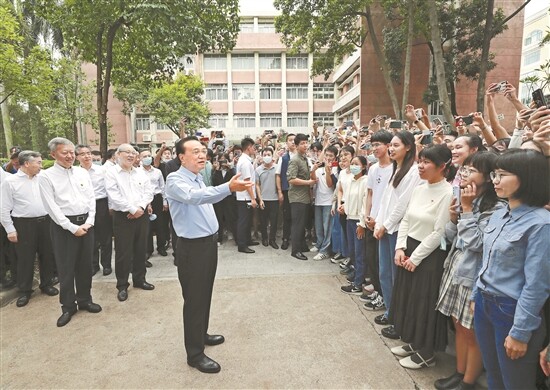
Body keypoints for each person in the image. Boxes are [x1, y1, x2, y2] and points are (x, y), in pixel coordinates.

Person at [165, 136, 253, 374]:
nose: (202, 155)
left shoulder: (198, 178)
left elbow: (209, 196)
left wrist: (226, 190)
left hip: (206, 244)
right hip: (191, 247)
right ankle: (194, 354)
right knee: (194, 299)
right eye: (195, 152)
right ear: (182, 157)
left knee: (204, 293)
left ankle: (200, 333)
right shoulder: (175, 180)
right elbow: (195, 198)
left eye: (203, 151)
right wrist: (228, 187)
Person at [474, 149, 549, 389]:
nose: (495, 180)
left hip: (510, 309)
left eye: (503, 174)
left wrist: (520, 332)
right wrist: (478, 292)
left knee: (515, 382)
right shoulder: (500, 212)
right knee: (493, 376)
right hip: (485, 302)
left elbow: (536, 284)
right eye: (494, 174)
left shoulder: (541, 224)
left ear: (526, 177)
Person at [434, 151, 505, 390]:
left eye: (471, 170)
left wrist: (464, 212)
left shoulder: (496, 207)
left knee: (473, 332)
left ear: (488, 177)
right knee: (459, 327)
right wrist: (455, 218)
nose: (464, 174)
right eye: (464, 169)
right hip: (457, 269)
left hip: (473, 276)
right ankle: (459, 372)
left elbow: (478, 244)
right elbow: (454, 238)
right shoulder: (467, 199)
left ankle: (468, 381)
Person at [389, 145, 454, 369]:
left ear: (442, 166)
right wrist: (400, 248)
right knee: (408, 299)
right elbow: (406, 218)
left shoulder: (448, 193)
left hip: (429, 255)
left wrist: (415, 258)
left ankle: (427, 352)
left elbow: (439, 232)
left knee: (423, 303)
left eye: (426, 162)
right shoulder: (419, 188)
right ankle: (414, 342)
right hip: (409, 247)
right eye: (420, 161)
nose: (420, 166)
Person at [39, 137, 101, 327]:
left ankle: (85, 300)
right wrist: (72, 227)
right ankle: (67, 307)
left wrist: (89, 222)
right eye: (64, 152)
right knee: (66, 268)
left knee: (85, 265)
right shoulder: (46, 176)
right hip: (64, 227)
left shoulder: (82, 172)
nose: (69, 155)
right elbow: (52, 208)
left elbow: (92, 198)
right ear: (53, 154)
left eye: (71, 152)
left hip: (86, 224)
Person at [373, 131, 421, 338]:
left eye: (396, 145)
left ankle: (397, 317)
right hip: (385, 228)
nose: (391, 149)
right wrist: (379, 223)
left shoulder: (413, 172)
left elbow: (403, 204)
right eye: (390, 145)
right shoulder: (397, 168)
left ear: (408, 147)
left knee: (395, 277)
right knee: (384, 273)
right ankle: (390, 310)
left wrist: (386, 224)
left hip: (398, 231)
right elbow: (386, 200)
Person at [0, 151, 59, 307]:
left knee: (47, 254)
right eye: (38, 162)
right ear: (26, 164)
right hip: (23, 224)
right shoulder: (10, 182)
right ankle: (24, 291)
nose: (41, 165)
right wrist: (10, 229)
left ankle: (46, 284)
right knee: (25, 258)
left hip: (46, 222)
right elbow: (4, 208)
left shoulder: (43, 178)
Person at [105, 144, 155, 302]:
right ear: (118, 154)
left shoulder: (140, 172)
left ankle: (140, 280)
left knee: (141, 249)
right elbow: (113, 195)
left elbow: (149, 192)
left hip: (141, 215)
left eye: (134, 153)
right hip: (123, 217)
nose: (131, 155)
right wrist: (132, 210)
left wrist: (140, 208)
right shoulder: (111, 173)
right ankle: (122, 285)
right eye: (127, 152)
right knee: (123, 252)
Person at [360, 130, 393, 306]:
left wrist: (379, 220)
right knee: (372, 261)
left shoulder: (395, 169)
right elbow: (370, 194)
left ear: (388, 146)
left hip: (385, 224)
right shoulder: (373, 169)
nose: (374, 148)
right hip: (371, 222)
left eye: (377, 144)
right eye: (372, 145)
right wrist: (367, 215)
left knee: (384, 265)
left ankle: (385, 298)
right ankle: (379, 292)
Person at [75, 145, 112, 276]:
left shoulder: (102, 170)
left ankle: (107, 265)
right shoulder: (75, 173)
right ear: (77, 157)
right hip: (85, 207)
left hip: (101, 204)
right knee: (90, 238)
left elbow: (109, 189)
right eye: (83, 154)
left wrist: (110, 206)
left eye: (89, 153)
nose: (87, 156)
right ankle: (93, 265)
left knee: (105, 237)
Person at [340, 156, 369, 294]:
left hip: (358, 221)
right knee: (352, 250)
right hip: (349, 219)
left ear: (363, 166)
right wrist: (344, 207)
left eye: (356, 164)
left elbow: (365, 203)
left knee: (359, 253)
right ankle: (357, 276)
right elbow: (348, 198)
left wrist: (362, 224)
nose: (353, 166)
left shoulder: (366, 181)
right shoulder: (351, 180)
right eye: (352, 164)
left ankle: (358, 283)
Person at [287, 133, 317, 260]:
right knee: (298, 224)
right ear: (297, 145)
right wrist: (308, 183)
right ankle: (296, 250)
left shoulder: (304, 158)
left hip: (304, 196)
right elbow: (291, 179)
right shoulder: (295, 160)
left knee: (303, 223)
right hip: (297, 197)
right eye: (302, 143)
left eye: (306, 143)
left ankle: (302, 245)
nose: (305, 145)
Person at [140, 149, 169, 258]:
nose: (147, 158)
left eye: (149, 155)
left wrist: (165, 201)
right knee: (147, 226)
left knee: (160, 224)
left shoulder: (157, 171)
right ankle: (148, 249)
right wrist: (146, 203)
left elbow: (163, 187)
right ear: (140, 159)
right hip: (144, 201)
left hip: (157, 199)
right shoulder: (137, 172)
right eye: (144, 156)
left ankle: (161, 246)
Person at [311, 145, 338, 260]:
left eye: (331, 156)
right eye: (326, 155)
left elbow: (330, 184)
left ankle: (325, 250)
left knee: (327, 228)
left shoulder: (336, 170)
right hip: (318, 201)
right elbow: (313, 180)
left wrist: (328, 171)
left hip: (329, 202)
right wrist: (313, 169)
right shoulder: (319, 169)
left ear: (335, 158)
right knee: (318, 226)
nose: (328, 158)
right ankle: (319, 243)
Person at [235, 137, 258, 254]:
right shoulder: (244, 162)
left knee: (247, 221)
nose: (255, 149)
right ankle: (242, 245)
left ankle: (247, 240)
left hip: (246, 196)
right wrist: (253, 198)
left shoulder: (246, 160)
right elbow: (247, 182)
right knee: (243, 221)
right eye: (254, 147)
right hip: (245, 197)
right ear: (249, 147)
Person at [275, 133, 296, 250]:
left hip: (299, 193)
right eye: (290, 140)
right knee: (287, 216)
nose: (293, 142)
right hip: (287, 191)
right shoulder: (283, 158)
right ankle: (285, 239)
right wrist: (279, 191)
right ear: (286, 143)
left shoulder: (303, 157)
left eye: (294, 140)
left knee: (297, 217)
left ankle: (298, 239)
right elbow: (278, 175)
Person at [256, 147, 279, 248]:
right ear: (261, 156)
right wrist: (260, 199)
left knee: (274, 221)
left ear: (272, 155)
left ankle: (272, 239)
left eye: (268, 154)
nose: (266, 157)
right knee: (263, 221)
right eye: (264, 155)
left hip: (275, 199)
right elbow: (257, 185)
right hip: (263, 199)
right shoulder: (258, 170)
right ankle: (264, 238)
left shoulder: (277, 168)